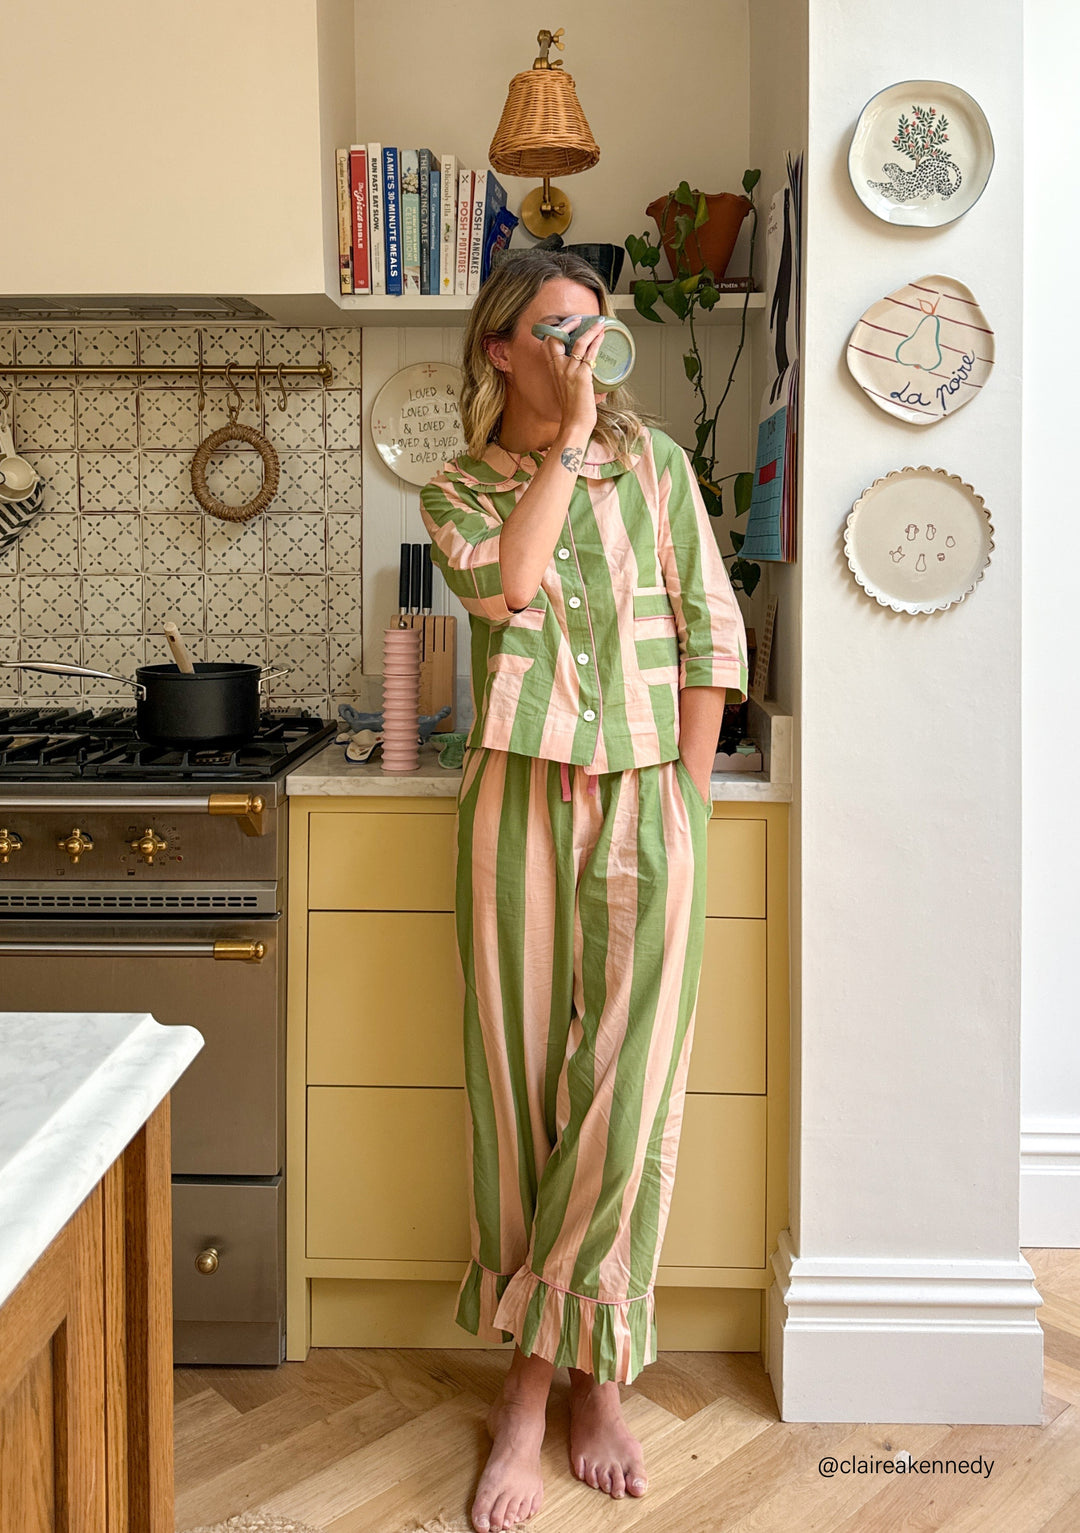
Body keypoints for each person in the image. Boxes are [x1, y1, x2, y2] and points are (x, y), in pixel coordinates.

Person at [419, 249, 748, 1533]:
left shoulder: (658, 470)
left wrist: (695, 798)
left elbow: (711, 626)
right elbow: (509, 582)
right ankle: (539, 1388)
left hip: (648, 799)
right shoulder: (459, 485)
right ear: (502, 348)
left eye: (598, 331)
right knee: (516, 1096)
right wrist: (566, 438)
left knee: (632, 1090)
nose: (586, 351)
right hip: (515, 801)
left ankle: (569, 1378)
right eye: (560, 330)